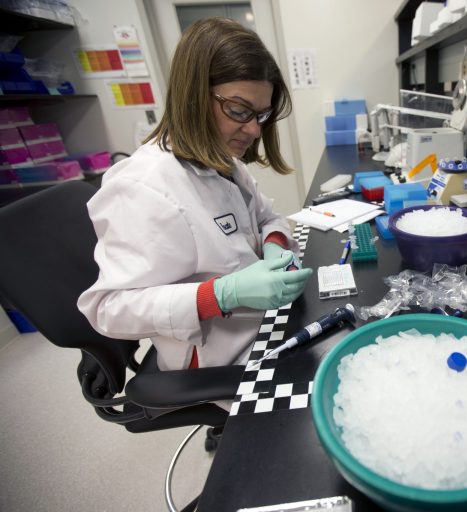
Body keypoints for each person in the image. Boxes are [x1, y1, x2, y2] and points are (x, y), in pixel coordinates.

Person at [78, 18, 313, 375]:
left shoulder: (222, 161)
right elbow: (108, 309)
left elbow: (266, 217)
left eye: (261, 114)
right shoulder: (143, 187)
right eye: (238, 110)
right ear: (193, 94)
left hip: (262, 326)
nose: (253, 129)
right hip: (219, 360)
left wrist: (275, 244)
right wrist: (220, 295)